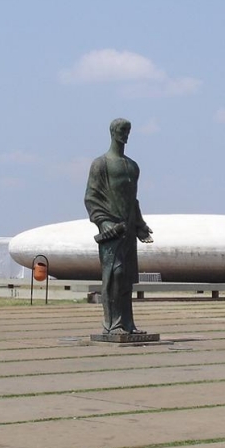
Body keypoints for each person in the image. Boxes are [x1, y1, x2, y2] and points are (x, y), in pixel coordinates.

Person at [84, 118, 153, 334]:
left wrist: (140, 226)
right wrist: (103, 223)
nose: (126, 134)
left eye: (129, 130)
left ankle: (128, 324)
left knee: (126, 278)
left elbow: (133, 200)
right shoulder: (100, 164)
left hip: (129, 230)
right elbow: (91, 197)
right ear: (113, 132)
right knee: (115, 274)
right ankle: (112, 324)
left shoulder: (132, 166)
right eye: (123, 130)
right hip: (111, 231)